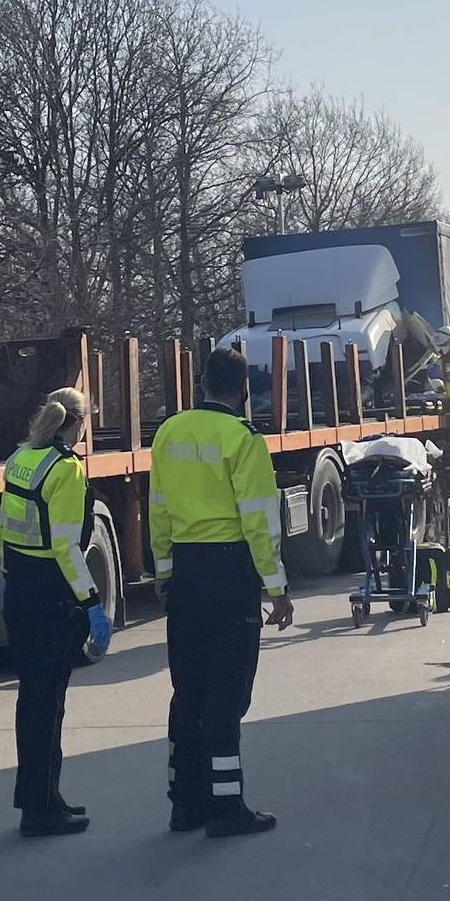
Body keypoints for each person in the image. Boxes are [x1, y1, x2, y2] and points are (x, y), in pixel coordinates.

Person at [151, 349, 293, 838]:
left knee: (187, 691)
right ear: (243, 391)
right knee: (227, 695)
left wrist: (165, 572)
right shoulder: (243, 439)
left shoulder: (169, 432)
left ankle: (184, 803)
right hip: (230, 572)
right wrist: (276, 589)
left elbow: (159, 510)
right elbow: (259, 520)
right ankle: (226, 808)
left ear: (201, 383)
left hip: (187, 571)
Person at [0, 387, 110, 838]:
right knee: (49, 705)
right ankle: (41, 809)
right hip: (49, 593)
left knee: (34, 702)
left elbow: (3, 525)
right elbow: (66, 547)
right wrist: (92, 604)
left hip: (20, 586)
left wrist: (8, 571)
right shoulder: (65, 469)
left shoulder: (24, 456)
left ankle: (43, 796)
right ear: (78, 424)